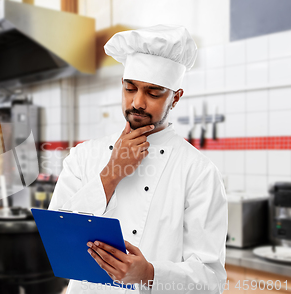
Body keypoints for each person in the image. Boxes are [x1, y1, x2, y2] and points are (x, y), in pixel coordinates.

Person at [48, 25, 228, 294]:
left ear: (175, 98)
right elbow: (57, 239)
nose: (138, 103)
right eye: (130, 89)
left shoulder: (198, 172)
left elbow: (211, 280)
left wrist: (150, 274)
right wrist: (111, 173)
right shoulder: (84, 156)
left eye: (153, 93)